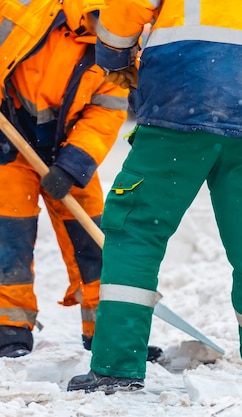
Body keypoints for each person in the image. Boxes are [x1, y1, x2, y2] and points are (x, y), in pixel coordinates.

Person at [67, 0, 242, 393]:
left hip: (183, 104)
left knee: (135, 229)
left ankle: (116, 367)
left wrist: (114, 56)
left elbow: (129, 4)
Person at [0, 0, 131, 357]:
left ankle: (106, 333)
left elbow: (106, 112)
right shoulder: (20, 10)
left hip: (68, 151)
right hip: (11, 148)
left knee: (92, 240)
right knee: (8, 240)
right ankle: (9, 330)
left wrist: (74, 164)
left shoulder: (119, 54)